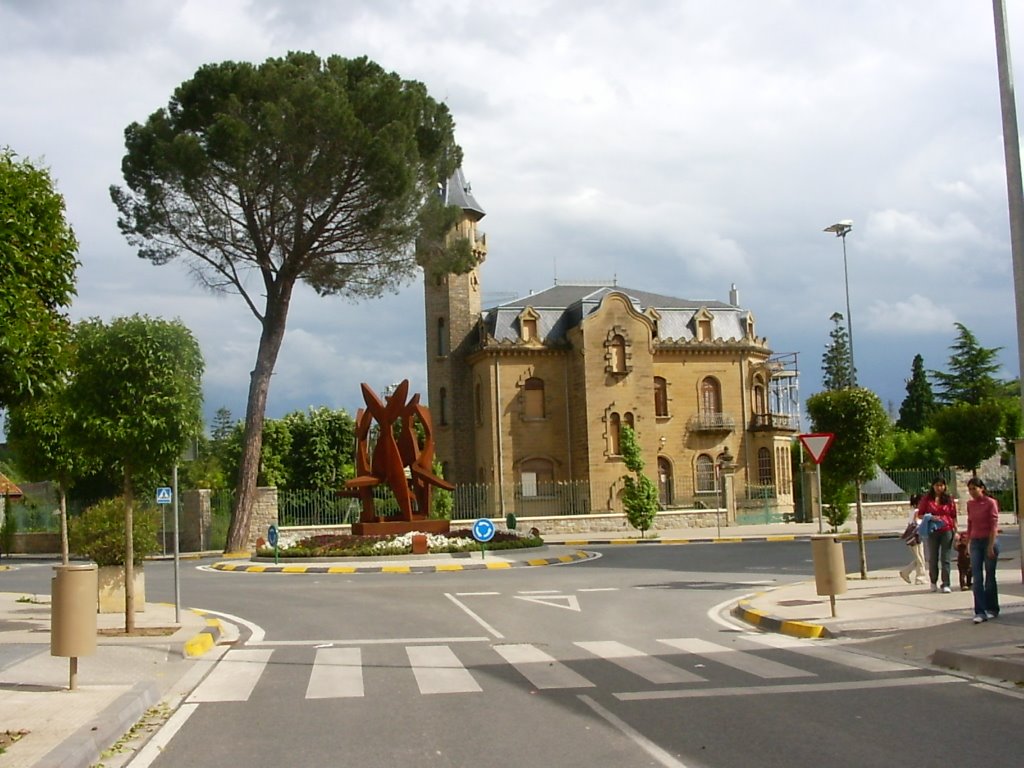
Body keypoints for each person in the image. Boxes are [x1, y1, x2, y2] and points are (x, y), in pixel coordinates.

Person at [965, 477, 1000, 623]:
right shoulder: (970, 504)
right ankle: (980, 611)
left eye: (975, 488)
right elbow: (970, 523)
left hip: (988, 541)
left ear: (982, 488)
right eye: (970, 489)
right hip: (975, 542)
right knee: (977, 578)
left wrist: (991, 545)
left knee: (989, 577)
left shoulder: (990, 503)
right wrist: (968, 542)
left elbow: (993, 525)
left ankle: (992, 608)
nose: (972, 492)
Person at [916, 476, 957, 593]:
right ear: (933, 486)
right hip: (933, 530)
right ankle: (933, 581)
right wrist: (930, 517)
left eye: (941, 485)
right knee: (933, 557)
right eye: (937, 485)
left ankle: (946, 583)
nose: (939, 488)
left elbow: (953, 515)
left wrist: (956, 530)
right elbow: (920, 514)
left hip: (947, 529)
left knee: (946, 558)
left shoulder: (949, 499)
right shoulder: (927, 499)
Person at [898, 493, 926, 585]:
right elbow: (917, 522)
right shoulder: (917, 511)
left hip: (912, 537)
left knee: (919, 557)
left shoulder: (913, 510)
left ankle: (906, 572)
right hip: (916, 536)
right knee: (920, 558)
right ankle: (920, 578)